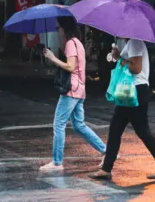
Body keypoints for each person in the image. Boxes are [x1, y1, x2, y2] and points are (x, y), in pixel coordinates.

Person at [88, 38, 155, 180]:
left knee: (142, 130)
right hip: (129, 91)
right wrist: (118, 56)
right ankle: (106, 168)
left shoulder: (134, 42)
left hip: (136, 91)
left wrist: (120, 59)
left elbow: (136, 67)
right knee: (115, 129)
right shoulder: (130, 43)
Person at [40, 16, 107, 172]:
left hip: (71, 90)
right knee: (79, 125)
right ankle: (106, 151)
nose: (57, 31)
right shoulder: (78, 43)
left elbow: (70, 67)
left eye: (58, 28)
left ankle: (57, 162)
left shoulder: (71, 44)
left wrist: (53, 58)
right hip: (80, 89)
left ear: (64, 28)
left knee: (59, 124)